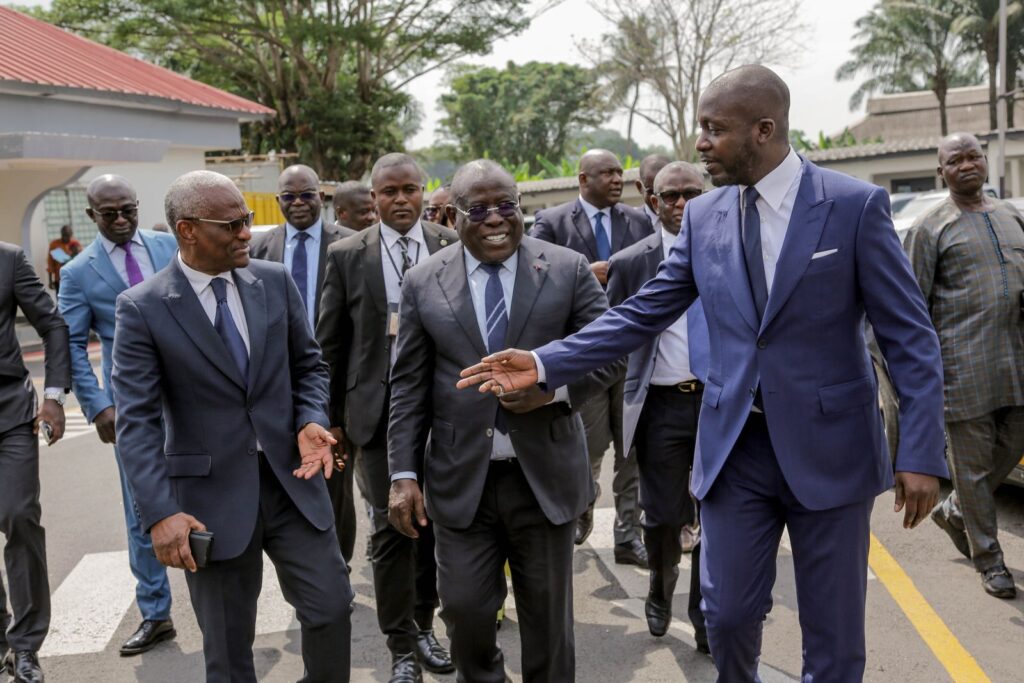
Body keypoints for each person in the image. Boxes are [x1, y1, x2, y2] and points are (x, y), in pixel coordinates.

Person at [458, 65, 947, 682]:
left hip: (832, 449)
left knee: (835, 634)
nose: (701, 144)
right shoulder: (705, 215)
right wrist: (544, 361)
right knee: (728, 614)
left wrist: (923, 453)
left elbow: (910, 338)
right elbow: (643, 311)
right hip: (734, 448)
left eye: (715, 130)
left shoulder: (854, 206)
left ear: (763, 130)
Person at [111, 170, 353, 683]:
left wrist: (311, 419)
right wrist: (160, 515)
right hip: (209, 502)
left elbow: (310, 366)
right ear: (188, 230)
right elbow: (137, 422)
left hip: (295, 483)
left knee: (332, 610)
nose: (247, 232)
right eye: (233, 224)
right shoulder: (143, 308)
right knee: (227, 654)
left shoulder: (273, 280)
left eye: (246, 220)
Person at [388, 159, 622, 683]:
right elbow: (407, 386)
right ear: (452, 214)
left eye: (506, 206)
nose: (495, 218)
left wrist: (549, 388)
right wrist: (402, 474)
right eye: (479, 208)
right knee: (467, 616)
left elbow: (610, 355)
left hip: (544, 477)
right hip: (460, 481)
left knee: (548, 627)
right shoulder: (424, 280)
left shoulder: (566, 268)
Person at [317, 153, 456, 683]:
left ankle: (424, 625)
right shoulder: (347, 254)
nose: (401, 200)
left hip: (440, 411)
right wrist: (329, 421)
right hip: (373, 416)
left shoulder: (449, 245)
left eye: (410, 190)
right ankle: (400, 646)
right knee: (392, 525)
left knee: (436, 524)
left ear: (425, 192)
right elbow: (329, 344)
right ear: (372, 199)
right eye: (389, 192)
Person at [57, 174, 179, 656]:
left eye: (128, 209)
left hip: (195, 394)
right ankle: (156, 612)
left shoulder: (170, 244)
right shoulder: (78, 272)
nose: (123, 219)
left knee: (212, 492)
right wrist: (98, 404)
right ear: (92, 216)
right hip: (131, 405)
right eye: (111, 214)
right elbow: (69, 343)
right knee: (142, 508)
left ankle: (221, 597)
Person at [904, 132, 1024, 599]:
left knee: (1013, 447)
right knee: (970, 469)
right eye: (956, 159)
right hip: (961, 367)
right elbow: (912, 309)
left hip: (1016, 362)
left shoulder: (1013, 217)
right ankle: (990, 560)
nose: (967, 163)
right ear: (942, 172)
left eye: (974, 155)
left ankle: (955, 512)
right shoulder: (929, 229)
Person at [530, 148, 653, 564]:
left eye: (620, 172)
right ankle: (582, 505)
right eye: (607, 173)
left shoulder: (638, 221)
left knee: (632, 448)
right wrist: (586, 270)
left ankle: (626, 535)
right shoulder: (553, 221)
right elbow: (536, 276)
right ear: (584, 180)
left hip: (634, 352)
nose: (618, 179)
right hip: (584, 356)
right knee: (589, 444)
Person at [606, 161, 708, 652]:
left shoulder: (729, 249)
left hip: (720, 406)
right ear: (653, 202)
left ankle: (706, 609)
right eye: (670, 195)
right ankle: (660, 589)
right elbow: (608, 338)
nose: (682, 204)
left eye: (692, 192)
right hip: (661, 408)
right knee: (664, 515)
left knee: (722, 510)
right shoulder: (631, 263)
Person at [249, 164, 357, 564]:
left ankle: (338, 566)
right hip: (278, 387)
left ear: (322, 198)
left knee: (336, 484)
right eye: (289, 197)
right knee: (292, 480)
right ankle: (309, 567)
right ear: (278, 201)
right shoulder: (257, 250)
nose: (298, 203)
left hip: (338, 384)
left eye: (306, 195)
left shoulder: (350, 244)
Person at [0, 242, 70, 683]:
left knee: (19, 516)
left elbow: (53, 325)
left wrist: (54, 397)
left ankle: (25, 647)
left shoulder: (9, 260)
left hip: (9, 413)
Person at [634, 154, 672, 230]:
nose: (658, 199)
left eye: (667, 193)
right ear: (639, 187)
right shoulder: (630, 224)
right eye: (652, 192)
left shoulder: (687, 219)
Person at [46, 225, 83, 293]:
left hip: (75, 280)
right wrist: (50, 281)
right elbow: (50, 264)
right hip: (60, 280)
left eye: (68, 235)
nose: (66, 237)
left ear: (71, 235)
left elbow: (82, 262)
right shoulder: (54, 244)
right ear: (61, 234)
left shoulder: (76, 244)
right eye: (64, 235)